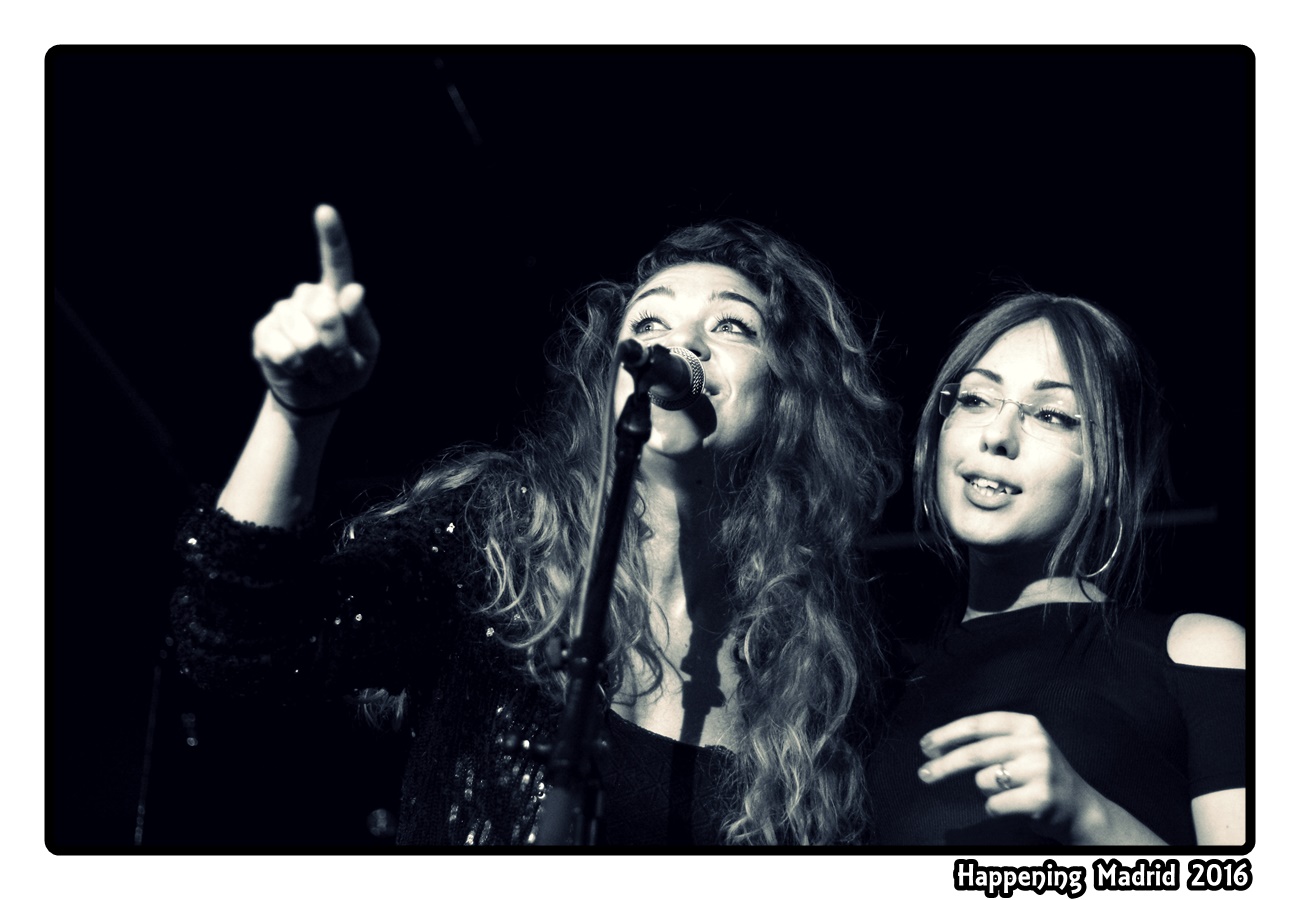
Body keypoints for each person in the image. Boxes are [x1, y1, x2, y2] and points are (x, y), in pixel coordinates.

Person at [171, 205, 901, 846]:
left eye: (732, 325)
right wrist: (296, 412)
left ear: (788, 394)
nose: (681, 343)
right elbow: (242, 642)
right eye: (649, 322)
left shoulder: (812, 666)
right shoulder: (499, 539)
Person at [866, 291, 1246, 846]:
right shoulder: (873, 688)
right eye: (974, 399)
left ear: (1111, 470)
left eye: (1051, 415)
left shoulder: (1195, 652)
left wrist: (1089, 817)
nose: (997, 435)